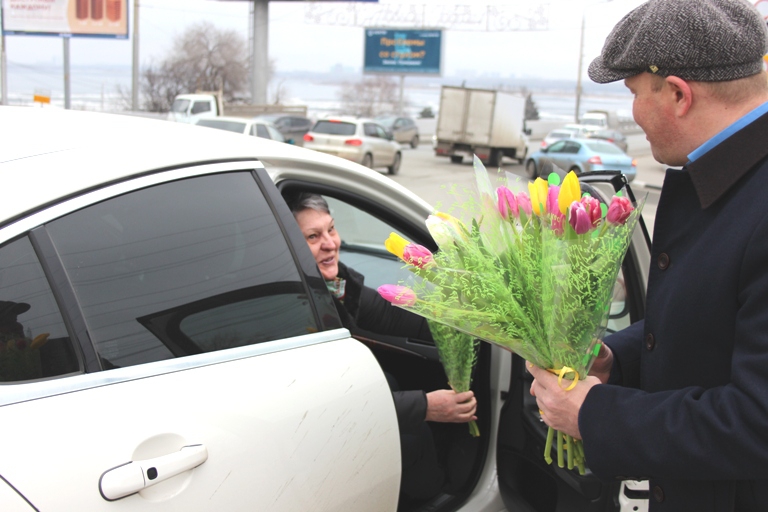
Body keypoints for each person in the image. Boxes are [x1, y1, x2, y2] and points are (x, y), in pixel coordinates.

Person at [528, 0, 768, 510]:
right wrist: (618, 360)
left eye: (635, 93)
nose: (632, 115)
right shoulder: (731, 178)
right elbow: (716, 324)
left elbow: (757, 421)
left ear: (679, 94)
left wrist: (594, 414)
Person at [285, 192, 478, 501]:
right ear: (291, 247)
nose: (330, 243)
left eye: (331, 229)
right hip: (317, 439)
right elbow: (333, 402)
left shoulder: (336, 288)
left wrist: (467, 320)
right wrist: (426, 406)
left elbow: (389, 315)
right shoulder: (295, 310)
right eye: (312, 236)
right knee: (415, 441)